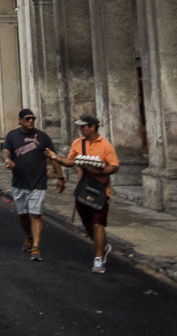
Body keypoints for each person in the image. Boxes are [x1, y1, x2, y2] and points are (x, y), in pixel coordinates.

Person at [46, 113, 119, 273]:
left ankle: (99, 259)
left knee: (98, 224)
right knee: (88, 225)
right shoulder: (78, 143)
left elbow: (114, 166)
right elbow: (71, 161)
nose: (80, 128)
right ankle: (102, 246)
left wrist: (99, 172)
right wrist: (56, 158)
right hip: (83, 189)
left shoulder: (105, 145)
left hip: (101, 191)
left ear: (92, 127)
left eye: (83, 126)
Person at [1, 108, 65, 261]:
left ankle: (36, 246)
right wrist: (7, 160)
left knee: (35, 214)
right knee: (23, 215)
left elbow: (53, 158)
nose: (31, 121)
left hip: (38, 182)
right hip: (19, 182)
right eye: (27, 118)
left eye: (33, 118)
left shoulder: (42, 137)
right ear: (20, 120)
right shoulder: (12, 135)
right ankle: (28, 236)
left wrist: (60, 177)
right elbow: (5, 151)